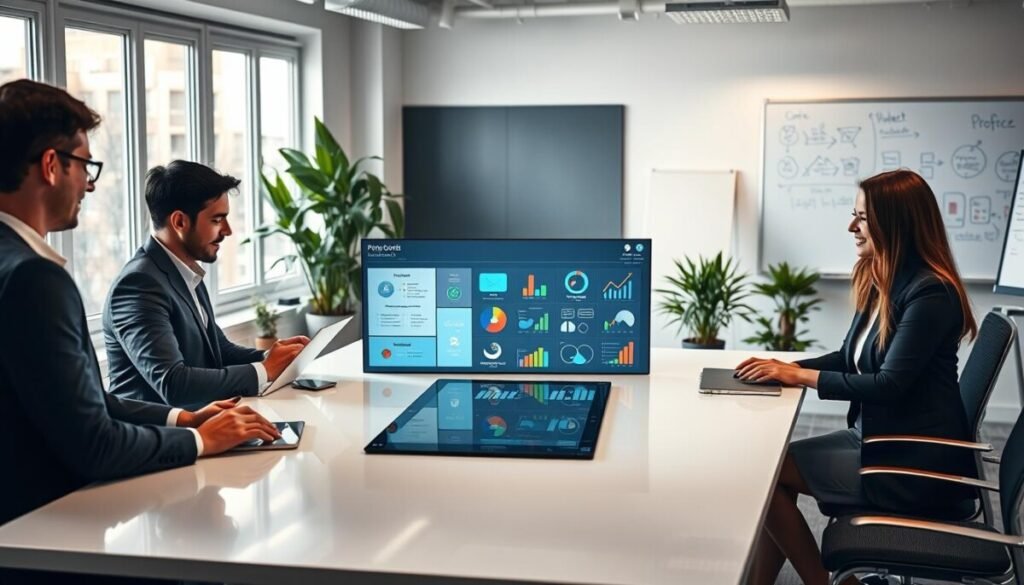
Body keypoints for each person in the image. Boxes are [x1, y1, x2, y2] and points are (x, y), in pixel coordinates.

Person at [0, 79, 282, 583]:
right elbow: (95, 443)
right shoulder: (32, 277)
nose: (90, 185)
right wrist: (200, 441)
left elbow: (91, 400)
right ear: (50, 165)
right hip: (45, 539)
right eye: (85, 166)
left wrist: (187, 420)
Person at [736, 169, 979, 585]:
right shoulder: (882, 278)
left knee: (764, 475)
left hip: (908, 460)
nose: (852, 226)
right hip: (878, 437)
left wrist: (797, 378)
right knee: (771, 470)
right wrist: (786, 369)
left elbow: (888, 384)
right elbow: (851, 359)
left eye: (862, 217)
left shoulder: (929, 292)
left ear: (895, 223)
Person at [103, 160, 309, 407]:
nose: (228, 230)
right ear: (179, 222)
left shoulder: (185, 270)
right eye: (217, 220)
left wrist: (272, 356)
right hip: (158, 437)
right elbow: (173, 384)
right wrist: (264, 370)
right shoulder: (138, 285)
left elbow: (218, 350)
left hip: (203, 423)